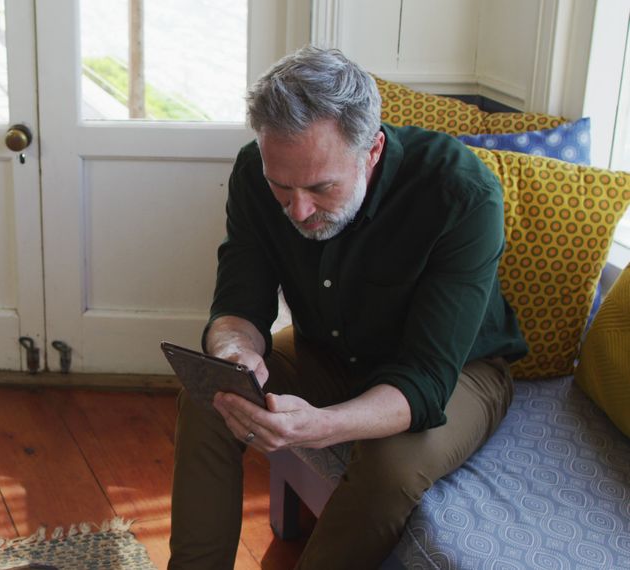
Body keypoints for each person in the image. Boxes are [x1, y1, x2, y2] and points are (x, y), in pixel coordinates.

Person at [168, 45, 528, 569]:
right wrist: (234, 356)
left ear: (373, 151)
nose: (300, 208)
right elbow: (238, 302)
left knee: (391, 469)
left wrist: (320, 425)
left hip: (457, 371)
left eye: (321, 187)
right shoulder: (253, 171)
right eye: (281, 187)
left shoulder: (462, 192)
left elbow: (426, 379)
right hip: (326, 351)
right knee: (208, 399)